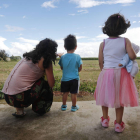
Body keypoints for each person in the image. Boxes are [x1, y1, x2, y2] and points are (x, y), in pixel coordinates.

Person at [94, 13, 139, 132]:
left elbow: (100, 62)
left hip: (107, 72)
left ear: (107, 27)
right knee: (120, 99)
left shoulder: (103, 43)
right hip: (121, 74)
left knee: (105, 97)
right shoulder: (125, 41)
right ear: (123, 28)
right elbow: (133, 56)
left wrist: (104, 71)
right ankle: (118, 125)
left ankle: (104, 120)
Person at [2, 38, 58, 117]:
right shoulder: (46, 61)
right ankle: (41, 109)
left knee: (24, 83)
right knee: (45, 83)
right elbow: (51, 84)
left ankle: (19, 111)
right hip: (21, 98)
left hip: (8, 97)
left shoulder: (28, 57)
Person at [58, 34, 82, 112]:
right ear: (76, 47)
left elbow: (62, 67)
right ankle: (74, 107)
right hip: (74, 79)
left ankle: (64, 106)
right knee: (74, 93)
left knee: (65, 93)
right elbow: (80, 68)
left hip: (65, 79)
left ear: (65, 47)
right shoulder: (77, 57)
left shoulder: (62, 57)